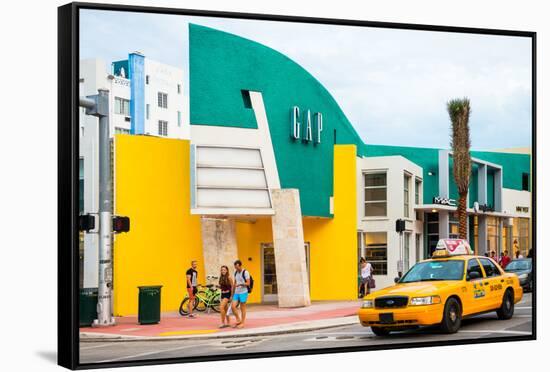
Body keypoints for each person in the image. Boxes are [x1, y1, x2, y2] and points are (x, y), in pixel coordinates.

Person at [231, 260, 250, 329]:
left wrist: (241, 284)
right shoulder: (235, 272)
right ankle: (238, 320)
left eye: (237, 267)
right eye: (235, 267)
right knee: (233, 307)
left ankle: (242, 323)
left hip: (243, 292)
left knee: (242, 308)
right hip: (236, 292)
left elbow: (248, 283)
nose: (236, 268)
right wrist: (232, 293)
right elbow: (234, 283)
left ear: (240, 265)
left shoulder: (245, 272)